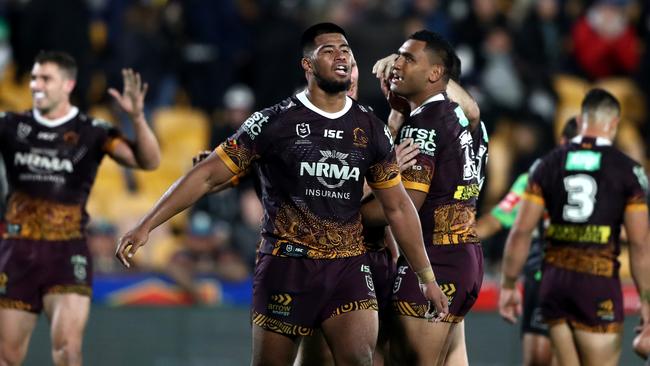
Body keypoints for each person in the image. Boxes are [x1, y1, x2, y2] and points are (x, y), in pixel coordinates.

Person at [115, 22, 448, 366]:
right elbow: (206, 176)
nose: (341, 56)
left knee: (359, 359)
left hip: (347, 267)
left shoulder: (370, 128)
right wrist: (147, 224)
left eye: (345, 50)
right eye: (329, 50)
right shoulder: (272, 123)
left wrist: (427, 278)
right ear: (307, 64)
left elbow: (398, 208)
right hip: (286, 266)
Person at [0, 51, 160, 365]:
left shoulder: (93, 132)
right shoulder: (10, 125)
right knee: (6, 356)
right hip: (17, 251)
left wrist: (138, 118)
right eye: (33, 78)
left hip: (66, 251)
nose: (36, 85)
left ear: (68, 84)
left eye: (46, 78)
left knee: (68, 351)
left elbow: (149, 162)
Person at [499, 88, 650, 366]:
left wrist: (508, 284)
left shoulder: (546, 165)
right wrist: (648, 303)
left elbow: (520, 231)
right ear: (614, 123)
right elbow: (641, 245)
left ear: (581, 120)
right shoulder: (628, 171)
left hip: (554, 283)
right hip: (597, 284)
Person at [361, 30, 483, 365]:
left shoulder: (424, 126)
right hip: (465, 259)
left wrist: (345, 213)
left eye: (408, 58)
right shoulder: (461, 118)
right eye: (398, 56)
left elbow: (402, 208)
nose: (397, 64)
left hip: (433, 263)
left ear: (434, 74)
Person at [477, 117, 578, 366]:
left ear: (562, 141)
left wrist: (452, 241)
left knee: (541, 359)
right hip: (589, 274)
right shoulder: (613, 176)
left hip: (545, 271)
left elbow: (496, 222)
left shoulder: (538, 174)